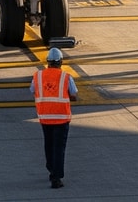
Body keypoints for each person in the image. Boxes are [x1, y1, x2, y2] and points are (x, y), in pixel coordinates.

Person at [31, 46, 78, 189]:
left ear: (48, 62)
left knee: (49, 145)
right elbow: (74, 94)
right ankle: (56, 178)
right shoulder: (66, 76)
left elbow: (33, 90)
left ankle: (51, 170)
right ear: (60, 62)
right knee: (59, 148)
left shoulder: (38, 76)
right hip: (61, 118)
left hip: (45, 116)